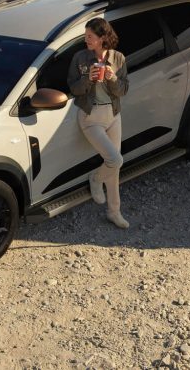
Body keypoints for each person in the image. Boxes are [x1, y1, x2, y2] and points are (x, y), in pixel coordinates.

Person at [67, 17, 130, 229]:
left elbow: (123, 90)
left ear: (102, 38)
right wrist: (88, 78)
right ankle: (95, 179)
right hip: (90, 117)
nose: (86, 40)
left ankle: (114, 212)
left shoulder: (118, 58)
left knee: (114, 167)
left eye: (90, 36)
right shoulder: (80, 57)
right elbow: (73, 88)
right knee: (115, 160)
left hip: (113, 115)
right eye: (86, 36)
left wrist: (112, 78)